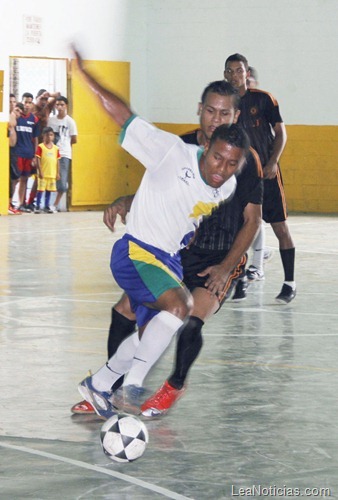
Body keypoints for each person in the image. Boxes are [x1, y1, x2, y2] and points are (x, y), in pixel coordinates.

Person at [72, 45, 250, 420]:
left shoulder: (229, 183)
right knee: (178, 306)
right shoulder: (171, 149)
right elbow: (122, 115)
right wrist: (85, 76)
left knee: (154, 330)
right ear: (200, 116)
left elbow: (177, 201)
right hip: (137, 252)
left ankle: (100, 384)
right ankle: (132, 387)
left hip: (168, 259)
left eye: (230, 163)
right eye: (210, 112)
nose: (222, 167)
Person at [224, 53, 296, 304]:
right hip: (241, 178)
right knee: (239, 229)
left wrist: (273, 161)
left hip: (266, 172)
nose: (235, 75)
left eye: (239, 71)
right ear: (225, 75)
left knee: (280, 227)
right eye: (230, 71)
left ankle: (289, 283)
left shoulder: (263, 100)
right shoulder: (224, 103)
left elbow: (281, 133)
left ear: (247, 74)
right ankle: (240, 279)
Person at [24, 89, 61, 211]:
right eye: (42, 99)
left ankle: (32, 202)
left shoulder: (47, 108)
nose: (44, 101)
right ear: (36, 98)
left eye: (46, 99)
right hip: (30, 143)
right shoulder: (32, 107)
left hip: (43, 146)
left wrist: (49, 95)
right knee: (25, 175)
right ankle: (23, 202)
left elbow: (58, 95)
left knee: (39, 176)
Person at [48, 96, 78, 211]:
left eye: (62, 105)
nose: (59, 107)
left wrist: (65, 146)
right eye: (57, 105)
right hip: (51, 153)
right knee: (50, 178)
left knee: (61, 180)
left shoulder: (70, 122)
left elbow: (74, 139)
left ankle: (55, 204)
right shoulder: (51, 120)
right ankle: (48, 203)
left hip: (64, 153)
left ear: (66, 106)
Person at [14, 92, 40, 212]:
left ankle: (21, 203)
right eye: (25, 102)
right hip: (17, 153)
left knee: (25, 179)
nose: (27, 105)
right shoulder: (16, 117)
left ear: (32, 104)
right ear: (22, 102)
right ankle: (12, 202)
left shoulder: (34, 119)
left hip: (29, 153)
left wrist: (35, 155)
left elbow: (35, 139)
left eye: (30, 102)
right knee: (16, 179)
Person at [34, 127, 60, 214]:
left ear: (53, 136)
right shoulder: (40, 147)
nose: (49, 137)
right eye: (47, 135)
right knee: (40, 190)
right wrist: (40, 171)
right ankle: (37, 205)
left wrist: (57, 173)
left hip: (52, 174)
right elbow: (38, 159)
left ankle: (46, 205)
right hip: (43, 174)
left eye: (51, 135)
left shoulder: (56, 148)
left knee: (49, 190)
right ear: (43, 136)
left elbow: (57, 161)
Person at [8, 100, 24, 214]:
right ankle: (8, 203)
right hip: (7, 150)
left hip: (13, 150)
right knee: (13, 178)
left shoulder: (13, 117)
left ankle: (9, 203)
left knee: (16, 178)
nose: (18, 113)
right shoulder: (9, 117)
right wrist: (13, 113)